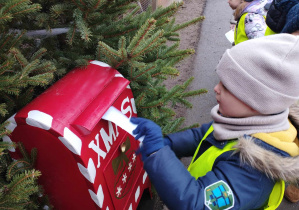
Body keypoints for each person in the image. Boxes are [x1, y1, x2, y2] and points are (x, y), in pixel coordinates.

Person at [130, 34, 299, 210]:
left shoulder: (255, 170)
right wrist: (167, 143)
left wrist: (158, 153)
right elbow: (203, 135)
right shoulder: (243, 122)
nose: (216, 88)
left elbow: (198, 203)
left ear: (257, 102)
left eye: (226, 86)